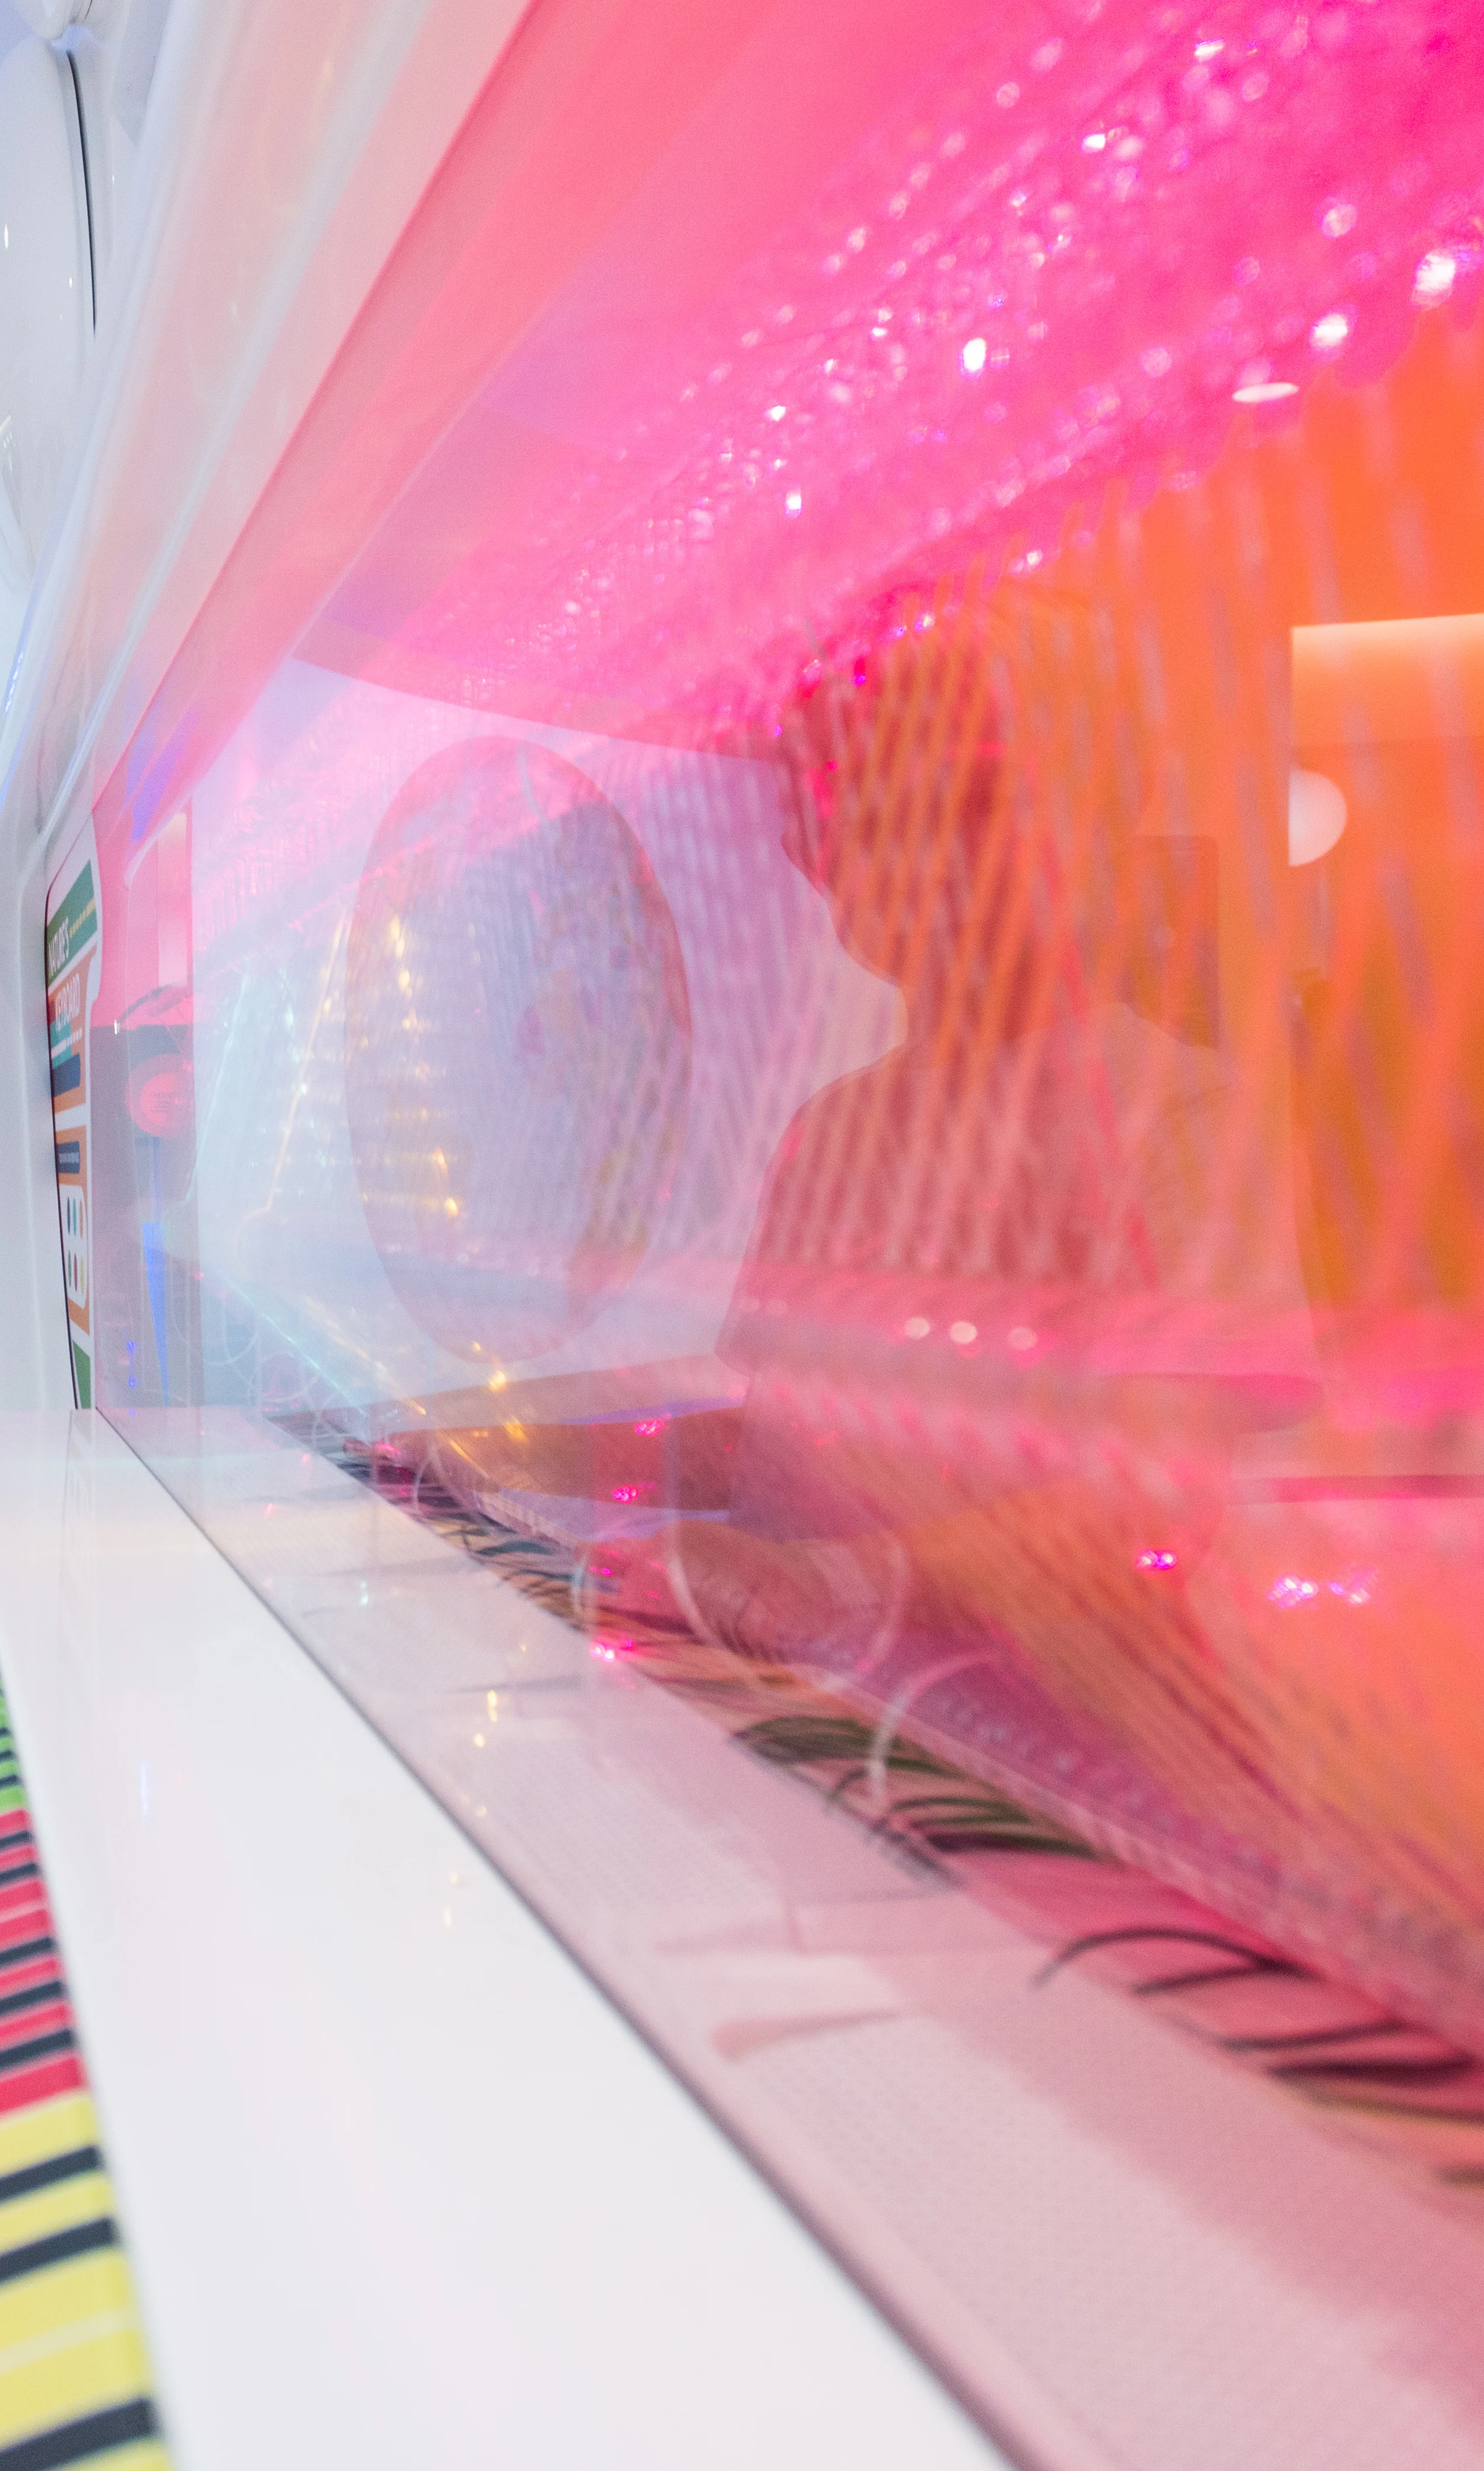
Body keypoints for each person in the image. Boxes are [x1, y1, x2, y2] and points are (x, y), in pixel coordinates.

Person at [380, 588, 1317, 1799]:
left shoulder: (1182, 1112)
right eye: (860, 820)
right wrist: (496, 1431)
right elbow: (765, 1434)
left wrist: (848, 1584)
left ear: (1082, 834)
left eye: (970, 810)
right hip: (863, 1726)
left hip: (1107, 1758)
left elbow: (1169, 1493)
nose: (909, 864)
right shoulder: (836, 1128)